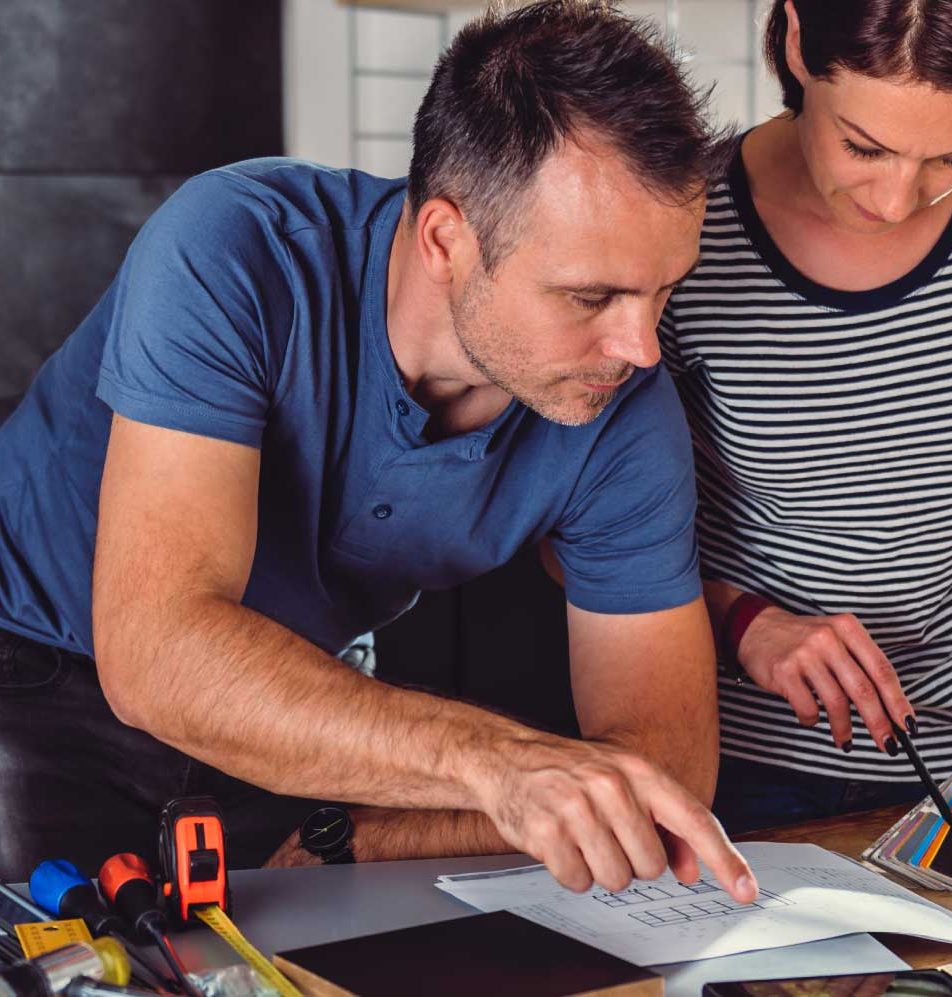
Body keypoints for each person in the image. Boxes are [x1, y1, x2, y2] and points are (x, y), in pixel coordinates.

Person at [0, 0, 759, 901]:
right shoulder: (236, 247)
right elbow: (160, 656)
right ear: (446, 239)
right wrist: (495, 762)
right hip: (35, 679)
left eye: (662, 289)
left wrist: (361, 834)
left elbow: (661, 769)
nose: (640, 346)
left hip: (298, 726)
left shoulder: (625, 408)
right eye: (590, 296)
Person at [659, 0, 952, 833]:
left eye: (951, 156)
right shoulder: (675, 233)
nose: (895, 199)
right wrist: (746, 621)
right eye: (862, 146)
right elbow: (573, 537)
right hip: (749, 764)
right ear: (798, 38)